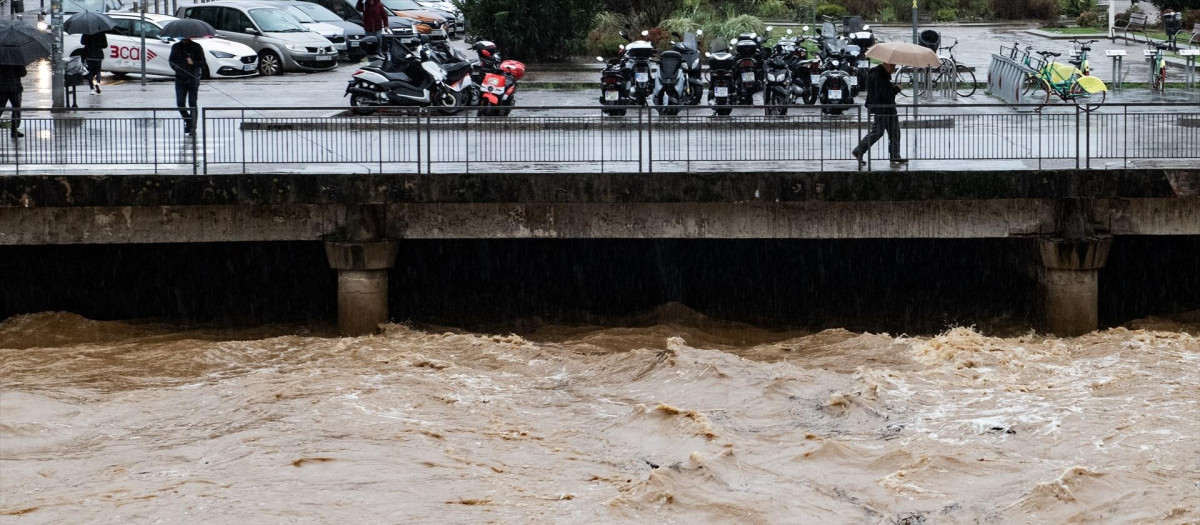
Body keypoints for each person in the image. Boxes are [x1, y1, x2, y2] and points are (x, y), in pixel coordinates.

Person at [852, 61, 905, 168]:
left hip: (889, 108)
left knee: (894, 133)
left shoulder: (883, 75)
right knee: (877, 132)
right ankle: (859, 150)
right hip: (882, 109)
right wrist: (896, 89)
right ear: (886, 63)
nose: (894, 68)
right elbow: (883, 95)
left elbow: (884, 93)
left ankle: (895, 155)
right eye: (892, 65)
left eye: (895, 65)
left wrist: (892, 87)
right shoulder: (878, 75)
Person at [169, 37, 206, 135]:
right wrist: (176, 67)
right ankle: (189, 121)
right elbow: (171, 60)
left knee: (192, 103)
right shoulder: (176, 46)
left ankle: (193, 127)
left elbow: (202, 62)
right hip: (180, 79)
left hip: (193, 78)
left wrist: (193, 62)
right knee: (180, 103)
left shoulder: (196, 46)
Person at [0, 64, 25, 138]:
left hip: (2, 88)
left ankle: (14, 130)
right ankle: (14, 130)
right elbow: (23, 73)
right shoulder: (17, 61)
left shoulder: (1, 60)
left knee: (1, 108)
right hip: (15, 88)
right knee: (16, 109)